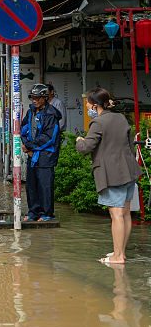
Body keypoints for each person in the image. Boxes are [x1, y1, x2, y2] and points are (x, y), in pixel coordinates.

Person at [75, 88, 141, 264]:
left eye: (88, 103)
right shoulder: (120, 118)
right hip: (129, 171)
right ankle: (120, 253)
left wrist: (79, 141)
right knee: (125, 213)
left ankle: (118, 257)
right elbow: (130, 145)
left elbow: (86, 148)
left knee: (116, 214)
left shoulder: (98, 123)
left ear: (95, 105)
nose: (86, 106)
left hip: (112, 174)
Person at [20, 84, 62, 222]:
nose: (34, 100)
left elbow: (49, 138)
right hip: (32, 155)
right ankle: (33, 212)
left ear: (45, 98)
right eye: (32, 97)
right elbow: (23, 129)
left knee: (45, 186)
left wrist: (30, 147)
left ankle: (46, 213)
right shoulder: (30, 112)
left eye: (37, 97)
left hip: (46, 156)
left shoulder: (51, 115)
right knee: (31, 185)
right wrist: (27, 146)